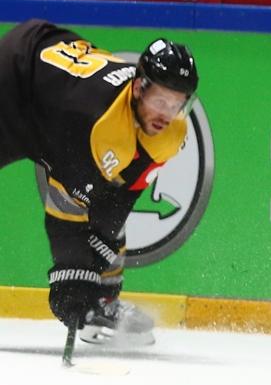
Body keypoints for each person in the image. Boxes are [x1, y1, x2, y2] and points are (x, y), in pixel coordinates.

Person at [0, 20, 198, 348]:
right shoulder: (97, 125)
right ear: (139, 88)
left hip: (57, 89)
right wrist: (73, 282)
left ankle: (105, 301)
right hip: (14, 78)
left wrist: (94, 277)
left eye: (176, 104)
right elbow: (63, 212)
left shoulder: (168, 133)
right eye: (161, 102)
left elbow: (120, 200)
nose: (167, 114)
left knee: (106, 206)